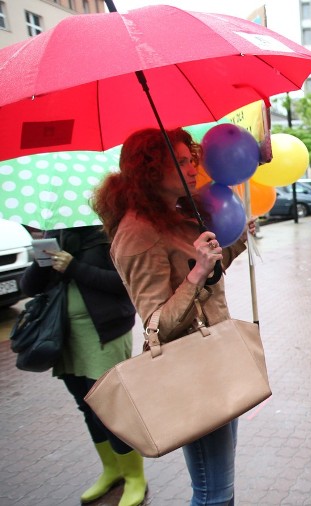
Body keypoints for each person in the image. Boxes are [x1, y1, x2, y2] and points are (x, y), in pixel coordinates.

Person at [92, 127, 255, 506]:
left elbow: (207, 278)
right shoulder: (137, 233)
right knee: (213, 492)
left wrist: (236, 241)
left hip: (216, 359)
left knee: (219, 487)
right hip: (191, 373)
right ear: (150, 171)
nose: (194, 167)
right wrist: (198, 270)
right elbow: (157, 324)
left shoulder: (175, 214)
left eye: (191, 157)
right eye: (180, 162)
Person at [19, 226, 145, 506]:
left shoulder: (108, 236)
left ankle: (135, 476)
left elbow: (126, 283)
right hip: (64, 335)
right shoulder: (57, 238)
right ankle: (112, 469)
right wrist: (43, 261)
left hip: (105, 333)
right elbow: (28, 288)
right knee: (86, 405)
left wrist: (73, 266)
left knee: (110, 407)